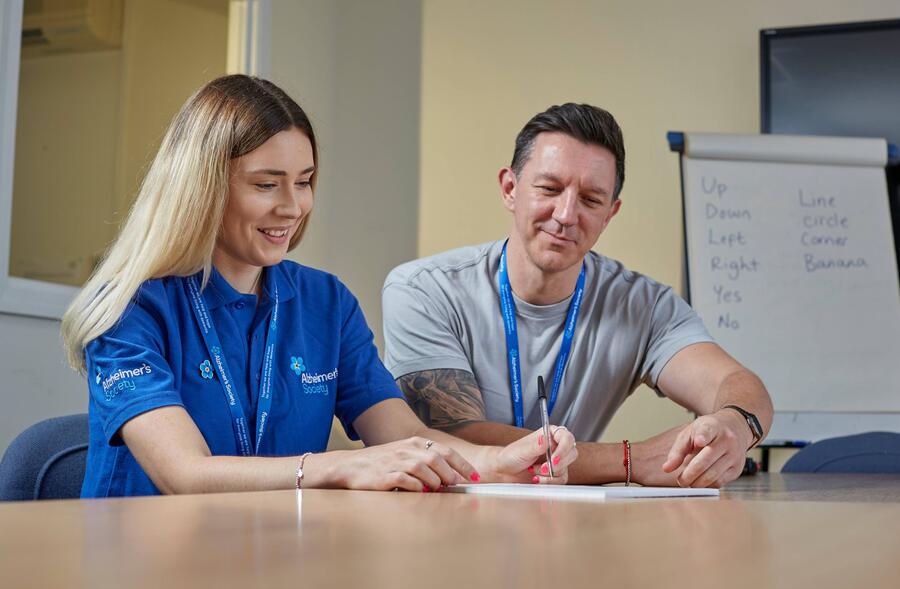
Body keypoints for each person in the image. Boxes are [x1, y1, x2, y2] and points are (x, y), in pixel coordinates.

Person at [61, 75, 576, 498]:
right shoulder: (129, 306)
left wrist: (502, 462)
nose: (292, 206)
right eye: (267, 184)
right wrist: (336, 467)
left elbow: (404, 436)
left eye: (304, 181)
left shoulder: (326, 303)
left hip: (271, 560)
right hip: (143, 568)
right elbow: (185, 474)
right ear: (205, 187)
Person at [382, 103, 772, 488]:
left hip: (567, 528)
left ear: (611, 213)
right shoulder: (423, 290)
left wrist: (734, 424)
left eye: (591, 200)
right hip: (446, 521)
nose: (567, 214)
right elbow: (454, 438)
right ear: (510, 189)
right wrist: (631, 460)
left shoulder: (644, 305)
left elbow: (736, 383)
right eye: (549, 188)